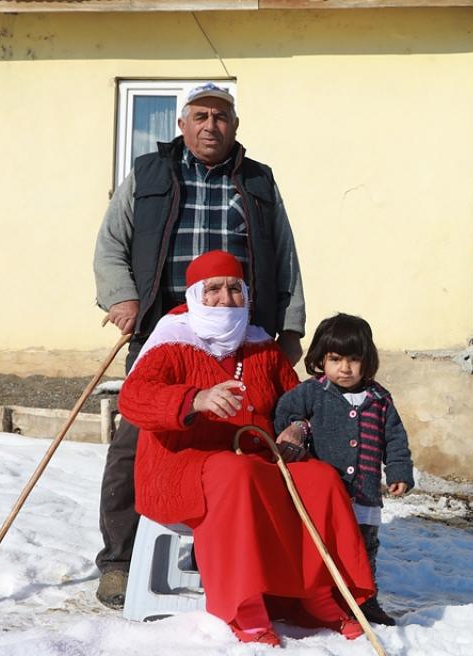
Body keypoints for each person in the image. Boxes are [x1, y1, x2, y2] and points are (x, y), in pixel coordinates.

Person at [93, 81, 306, 607]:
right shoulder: (147, 173)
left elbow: (284, 254)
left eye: (222, 116)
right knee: (135, 440)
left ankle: (254, 553)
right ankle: (119, 560)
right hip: (165, 326)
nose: (212, 125)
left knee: (245, 432)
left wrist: (292, 325)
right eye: (201, 115)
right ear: (183, 123)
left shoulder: (258, 180)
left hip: (239, 329)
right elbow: (110, 245)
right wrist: (121, 298)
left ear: (235, 126)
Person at [117, 250, 373, 647]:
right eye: (214, 289)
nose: (225, 298)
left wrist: (297, 429)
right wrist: (195, 400)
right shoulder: (171, 341)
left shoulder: (261, 347)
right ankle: (243, 604)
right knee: (236, 473)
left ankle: (320, 593)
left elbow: (300, 401)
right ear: (196, 295)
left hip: (256, 459)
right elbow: (133, 399)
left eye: (235, 288)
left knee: (318, 478)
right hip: (180, 467)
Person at [273, 313, 415, 627]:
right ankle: (325, 597)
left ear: (367, 360)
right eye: (335, 359)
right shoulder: (313, 392)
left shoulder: (379, 399)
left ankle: (366, 600)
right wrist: (297, 430)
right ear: (321, 359)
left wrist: (399, 472)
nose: (345, 368)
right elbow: (285, 412)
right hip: (328, 494)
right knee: (327, 545)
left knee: (365, 548)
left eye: (353, 359)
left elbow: (395, 438)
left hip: (364, 491)